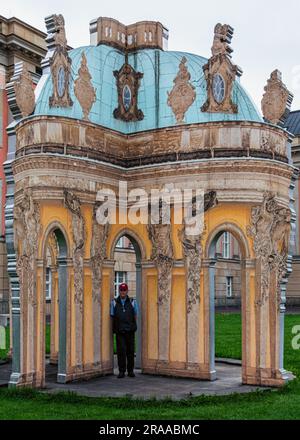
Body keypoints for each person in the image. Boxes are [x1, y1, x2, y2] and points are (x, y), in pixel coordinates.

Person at [110, 283, 138, 378]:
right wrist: (115, 328)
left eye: (124, 290)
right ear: (119, 291)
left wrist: (133, 326)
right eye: (121, 290)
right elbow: (112, 316)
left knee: (130, 351)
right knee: (121, 352)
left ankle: (130, 371)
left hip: (130, 331)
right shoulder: (114, 302)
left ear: (127, 291)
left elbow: (135, 315)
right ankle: (121, 371)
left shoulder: (132, 302)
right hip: (120, 331)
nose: (123, 292)